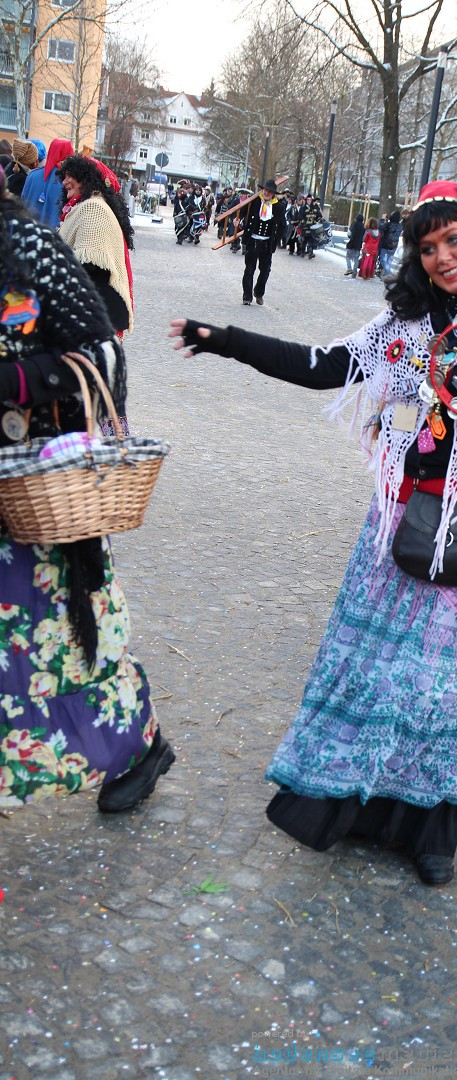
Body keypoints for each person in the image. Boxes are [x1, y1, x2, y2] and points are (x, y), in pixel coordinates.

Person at [168, 172, 457, 885]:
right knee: (369, 669)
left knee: (442, 684)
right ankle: (343, 808)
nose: (440, 258)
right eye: (426, 247)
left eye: (452, 239)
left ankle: (429, 833)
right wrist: (225, 340)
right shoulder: (410, 320)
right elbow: (329, 365)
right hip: (395, 524)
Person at [0, 166, 175, 812]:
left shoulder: (30, 251)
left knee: (61, 645)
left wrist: (15, 383)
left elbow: (103, 357)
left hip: (35, 497)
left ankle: (137, 743)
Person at [58, 155, 134, 336]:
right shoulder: (85, 206)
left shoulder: (93, 208)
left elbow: (91, 267)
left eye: (71, 176)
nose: (65, 182)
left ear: (86, 178)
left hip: (91, 318)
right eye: (64, 176)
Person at [239, 179, 284, 305]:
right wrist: (237, 222)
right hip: (252, 240)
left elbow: (282, 226)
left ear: (273, 193)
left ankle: (258, 293)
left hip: (267, 244)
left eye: (269, 191)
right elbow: (240, 213)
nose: (266, 193)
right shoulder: (253, 202)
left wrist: (277, 239)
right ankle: (247, 297)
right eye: (265, 190)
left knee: (265, 271)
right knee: (249, 269)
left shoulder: (279, 206)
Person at [20, 138, 74, 228]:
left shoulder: (32, 175)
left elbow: (22, 203)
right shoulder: (70, 181)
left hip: (29, 230)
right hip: (55, 235)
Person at [379, 210, 403, 275]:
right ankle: (385, 275)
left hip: (385, 244)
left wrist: (382, 219)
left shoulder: (388, 224)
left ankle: (388, 273)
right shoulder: (400, 226)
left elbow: (380, 227)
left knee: (383, 259)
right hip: (394, 245)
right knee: (389, 261)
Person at [345, 212, 365, 277]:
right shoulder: (363, 228)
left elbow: (349, 233)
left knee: (348, 256)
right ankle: (354, 271)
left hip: (352, 243)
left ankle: (349, 268)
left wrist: (350, 237)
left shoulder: (354, 224)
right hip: (358, 245)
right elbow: (363, 238)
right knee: (356, 259)